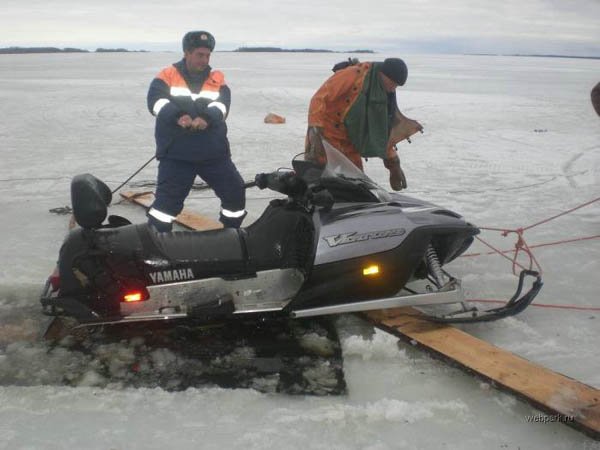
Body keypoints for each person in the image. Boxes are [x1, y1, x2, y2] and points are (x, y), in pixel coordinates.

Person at [146, 31, 246, 231]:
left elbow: (222, 106)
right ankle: (156, 241)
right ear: (187, 53)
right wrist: (178, 116)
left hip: (214, 154)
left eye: (208, 55)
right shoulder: (167, 76)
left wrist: (206, 118)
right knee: (164, 209)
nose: (205, 60)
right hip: (177, 155)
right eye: (200, 55)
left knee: (235, 195)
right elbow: (156, 101)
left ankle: (229, 234)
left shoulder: (217, 79)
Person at [306, 57, 423, 190]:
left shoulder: (384, 95)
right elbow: (319, 99)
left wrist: (393, 164)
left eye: (396, 86)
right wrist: (315, 131)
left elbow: (381, 130)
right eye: (392, 83)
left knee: (355, 182)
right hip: (326, 134)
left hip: (351, 139)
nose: (392, 89)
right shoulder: (353, 75)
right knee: (318, 178)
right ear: (383, 74)